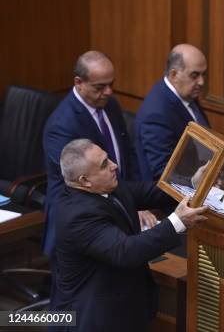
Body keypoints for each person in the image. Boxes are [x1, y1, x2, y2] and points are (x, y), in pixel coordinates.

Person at [52, 139, 207, 332]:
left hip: (126, 303)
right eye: (104, 165)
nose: (114, 165)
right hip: (94, 317)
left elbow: (152, 192)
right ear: (84, 180)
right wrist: (177, 221)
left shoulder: (110, 187)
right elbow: (125, 251)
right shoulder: (76, 215)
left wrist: (192, 183)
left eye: (108, 158)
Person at [43, 50, 155, 259]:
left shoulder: (109, 104)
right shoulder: (61, 125)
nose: (109, 91)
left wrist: (137, 203)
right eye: (100, 87)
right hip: (86, 222)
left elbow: (127, 154)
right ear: (79, 82)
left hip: (117, 206)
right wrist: (129, 205)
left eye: (111, 84)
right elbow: (83, 184)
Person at [135, 44, 210, 181]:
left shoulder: (186, 94)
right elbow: (163, 174)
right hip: (175, 198)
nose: (201, 82)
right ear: (174, 75)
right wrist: (195, 184)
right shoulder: (156, 115)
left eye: (203, 74)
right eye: (194, 75)